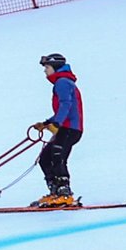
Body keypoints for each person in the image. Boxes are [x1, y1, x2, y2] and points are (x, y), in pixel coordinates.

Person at [32, 53, 83, 207]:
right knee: (45, 158)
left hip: (69, 128)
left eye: (47, 67)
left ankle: (64, 194)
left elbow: (66, 105)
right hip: (66, 128)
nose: (45, 71)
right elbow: (64, 108)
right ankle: (55, 192)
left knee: (57, 156)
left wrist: (56, 123)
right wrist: (47, 123)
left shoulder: (62, 82)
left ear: (55, 67)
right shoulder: (63, 82)